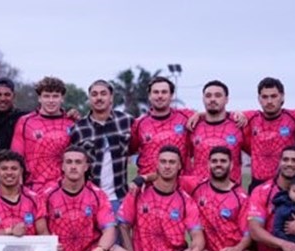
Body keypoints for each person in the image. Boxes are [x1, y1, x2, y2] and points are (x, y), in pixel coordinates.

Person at [42, 147, 129, 251]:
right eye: (69, 162)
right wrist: (48, 247)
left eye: (78, 162)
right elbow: (39, 229)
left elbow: (110, 229)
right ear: (62, 166)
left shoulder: (98, 195)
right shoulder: (47, 194)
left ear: (86, 167)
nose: (73, 166)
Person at [118, 145, 205, 251]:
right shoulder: (138, 192)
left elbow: (196, 234)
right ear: (157, 164)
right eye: (163, 161)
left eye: (172, 162)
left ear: (179, 166)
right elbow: (123, 226)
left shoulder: (186, 200)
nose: (167, 166)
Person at [69, 79, 134, 213]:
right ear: (89, 98)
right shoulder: (78, 128)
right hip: (88, 199)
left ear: (111, 98)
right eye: (94, 94)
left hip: (119, 197)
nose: (99, 98)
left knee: (120, 234)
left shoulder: (127, 121)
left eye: (103, 94)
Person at [11, 76, 74, 193]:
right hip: (33, 188)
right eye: (46, 96)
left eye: (55, 96)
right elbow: (16, 158)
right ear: (39, 98)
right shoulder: (25, 122)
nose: (51, 100)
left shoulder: (72, 122)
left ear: (62, 98)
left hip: (65, 189)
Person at [129, 76, 196, 177]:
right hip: (149, 185)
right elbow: (130, 149)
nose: (160, 96)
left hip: (180, 185)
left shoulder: (186, 117)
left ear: (171, 95)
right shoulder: (139, 123)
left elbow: (212, 117)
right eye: (156, 92)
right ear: (149, 96)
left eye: (164, 92)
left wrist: (201, 114)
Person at [0, 150, 49, 238]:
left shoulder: (35, 199)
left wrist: (53, 248)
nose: (9, 173)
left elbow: (43, 233)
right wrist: (10, 231)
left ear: (21, 171)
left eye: (14, 168)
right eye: (4, 168)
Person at [186, 80, 244, 186]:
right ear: (203, 99)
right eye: (208, 96)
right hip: (199, 192)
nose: (212, 99)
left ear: (226, 99)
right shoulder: (193, 125)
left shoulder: (239, 124)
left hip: (231, 194)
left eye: (218, 95)